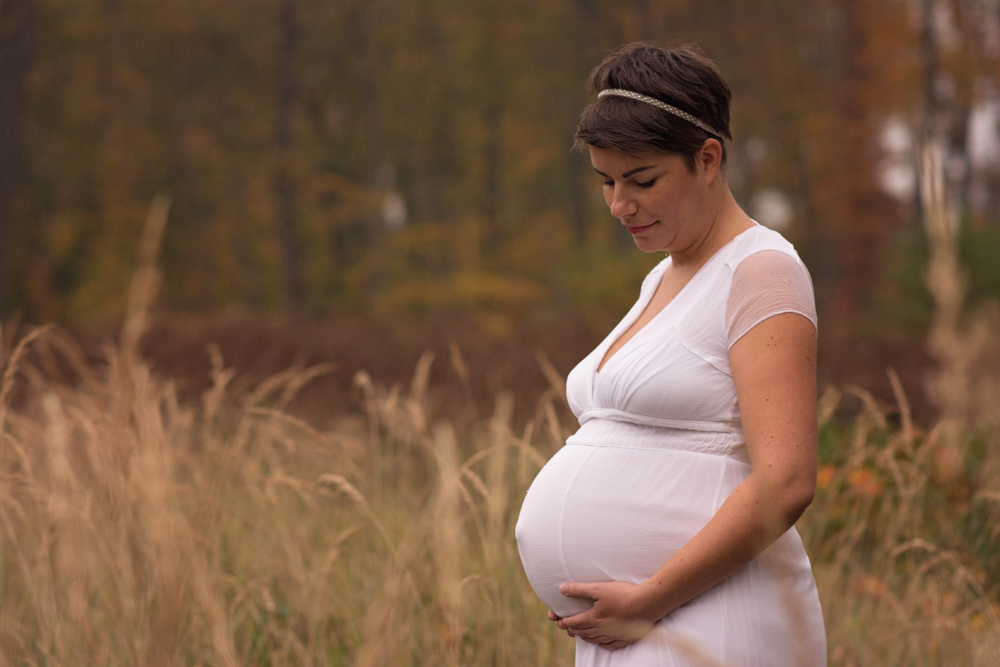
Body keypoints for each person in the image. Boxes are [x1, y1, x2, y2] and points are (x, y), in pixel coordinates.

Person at [514, 43, 827, 666]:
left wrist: (650, 598)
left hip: (707, 617)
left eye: (642, 180)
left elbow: (787, 480)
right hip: (639, 624)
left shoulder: (762, 271)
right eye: (606, 182)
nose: (618, 205)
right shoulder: (664, 275)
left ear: (707, 158)